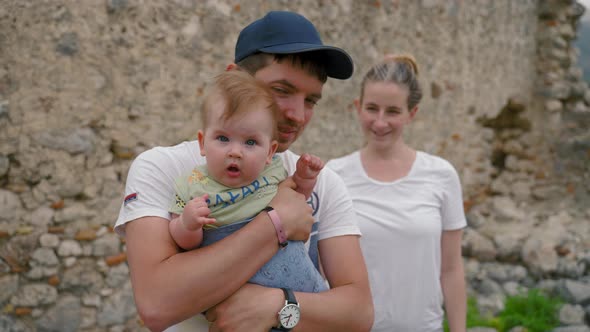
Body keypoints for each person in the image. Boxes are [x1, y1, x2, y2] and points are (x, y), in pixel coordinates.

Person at [114, 10, 373, 332]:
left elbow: (359, 313)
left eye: (311, 101)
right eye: (282, 90)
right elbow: (156, 304)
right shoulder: (163, 167)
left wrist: (278, 305)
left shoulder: (322, 181)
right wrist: (277, 223)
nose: (298, 114)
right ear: (234, 77)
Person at [326, 54, 467, 332]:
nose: (380, 122)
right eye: (372, 108)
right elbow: (322, 269)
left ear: (411, 114)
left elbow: (451, 269)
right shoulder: (334, 176)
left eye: (392, 111)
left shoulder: (441, 175)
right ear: (357, 107)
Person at [168, 70, 328, 293]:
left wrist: (304, 178)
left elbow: (297, 201)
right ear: (203, 143)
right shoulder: (192, 185)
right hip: (235, 284)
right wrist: (187, 224)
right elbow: (185, 243)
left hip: (296, 278)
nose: (235, 152)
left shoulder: (271, 171)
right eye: (223, 139)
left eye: (250, 142)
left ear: (270, 151)